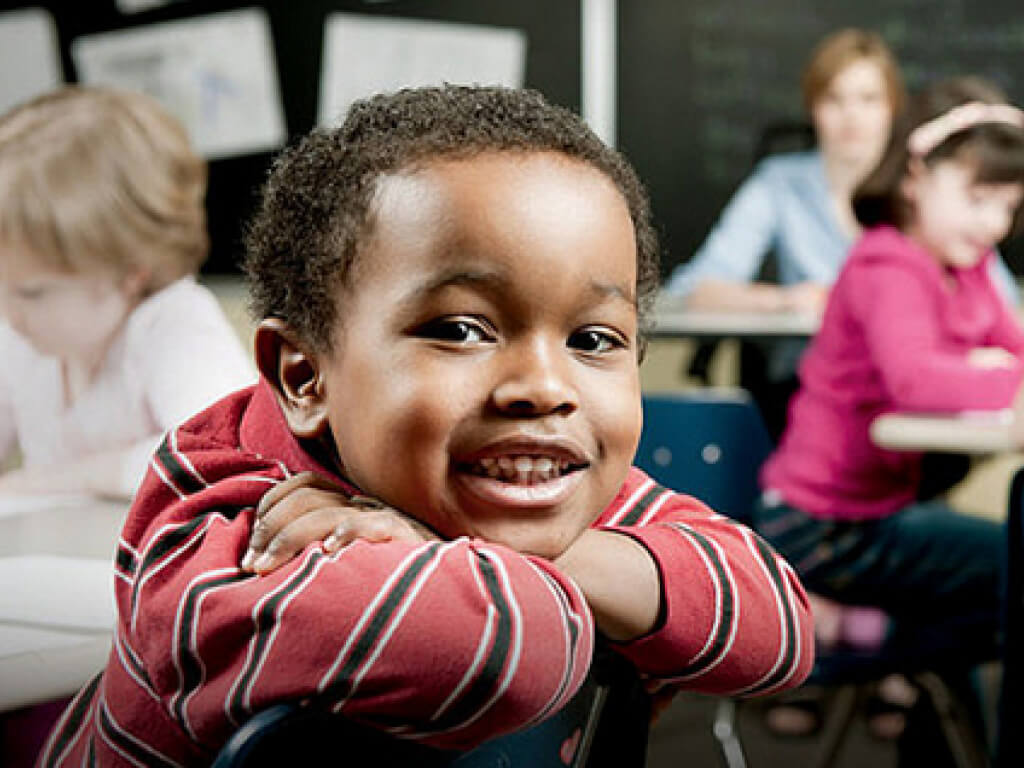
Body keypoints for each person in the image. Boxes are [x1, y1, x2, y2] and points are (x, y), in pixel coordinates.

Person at [37, 85, 815, 766]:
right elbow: (514, 645)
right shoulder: (236, 520)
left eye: (592, 339)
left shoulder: (534, 487)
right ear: (304, 376)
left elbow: (781, 625)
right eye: (461, 329)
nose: (545, 388)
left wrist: (456, 551)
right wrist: (592, 578)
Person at [754, 75, 1024, 763]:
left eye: (1008, 207)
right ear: (914, 175)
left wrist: (1004, 367)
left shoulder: (968, 266)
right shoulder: (887, 264)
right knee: (1008, 569)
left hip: (872, 516)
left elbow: (1015, 346)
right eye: (977, 198)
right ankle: (862, 642)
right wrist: (999, 374)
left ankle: (885, 657)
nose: (992, 223)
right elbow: (917, 381)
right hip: (822, 526)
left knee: (990, 586)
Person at [0, 86, 255, 499]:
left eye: (31, 293)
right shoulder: (22, 338)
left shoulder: (175, 326)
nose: (8, 313)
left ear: (129, 273)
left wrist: (67, 479)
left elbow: (222, 453)